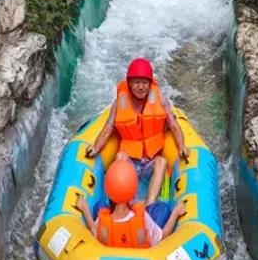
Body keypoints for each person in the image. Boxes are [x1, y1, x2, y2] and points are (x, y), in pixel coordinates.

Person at [86, 58, 189, 205]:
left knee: (162, 162)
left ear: (150, 84)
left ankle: (149, 205)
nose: (141, 87)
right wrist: (95, 147)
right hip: (130, 161)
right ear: (129, 83)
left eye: (144, 83)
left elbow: (173, 124)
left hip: (150, 162)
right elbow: (108, 128)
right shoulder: (119, 103)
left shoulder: (160, 100)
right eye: (136, 82)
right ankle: (126, 204)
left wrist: (182, 146)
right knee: (120, 156)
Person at [75, 159, 186, 248]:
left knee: (98, 207)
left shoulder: (103, 222)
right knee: (163, 209)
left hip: (111, 259)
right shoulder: (143, 219)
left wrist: (85, 208)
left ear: (108, 192)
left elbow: (94, 231)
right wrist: (176, 213)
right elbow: (162, 236)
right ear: (133, 195)